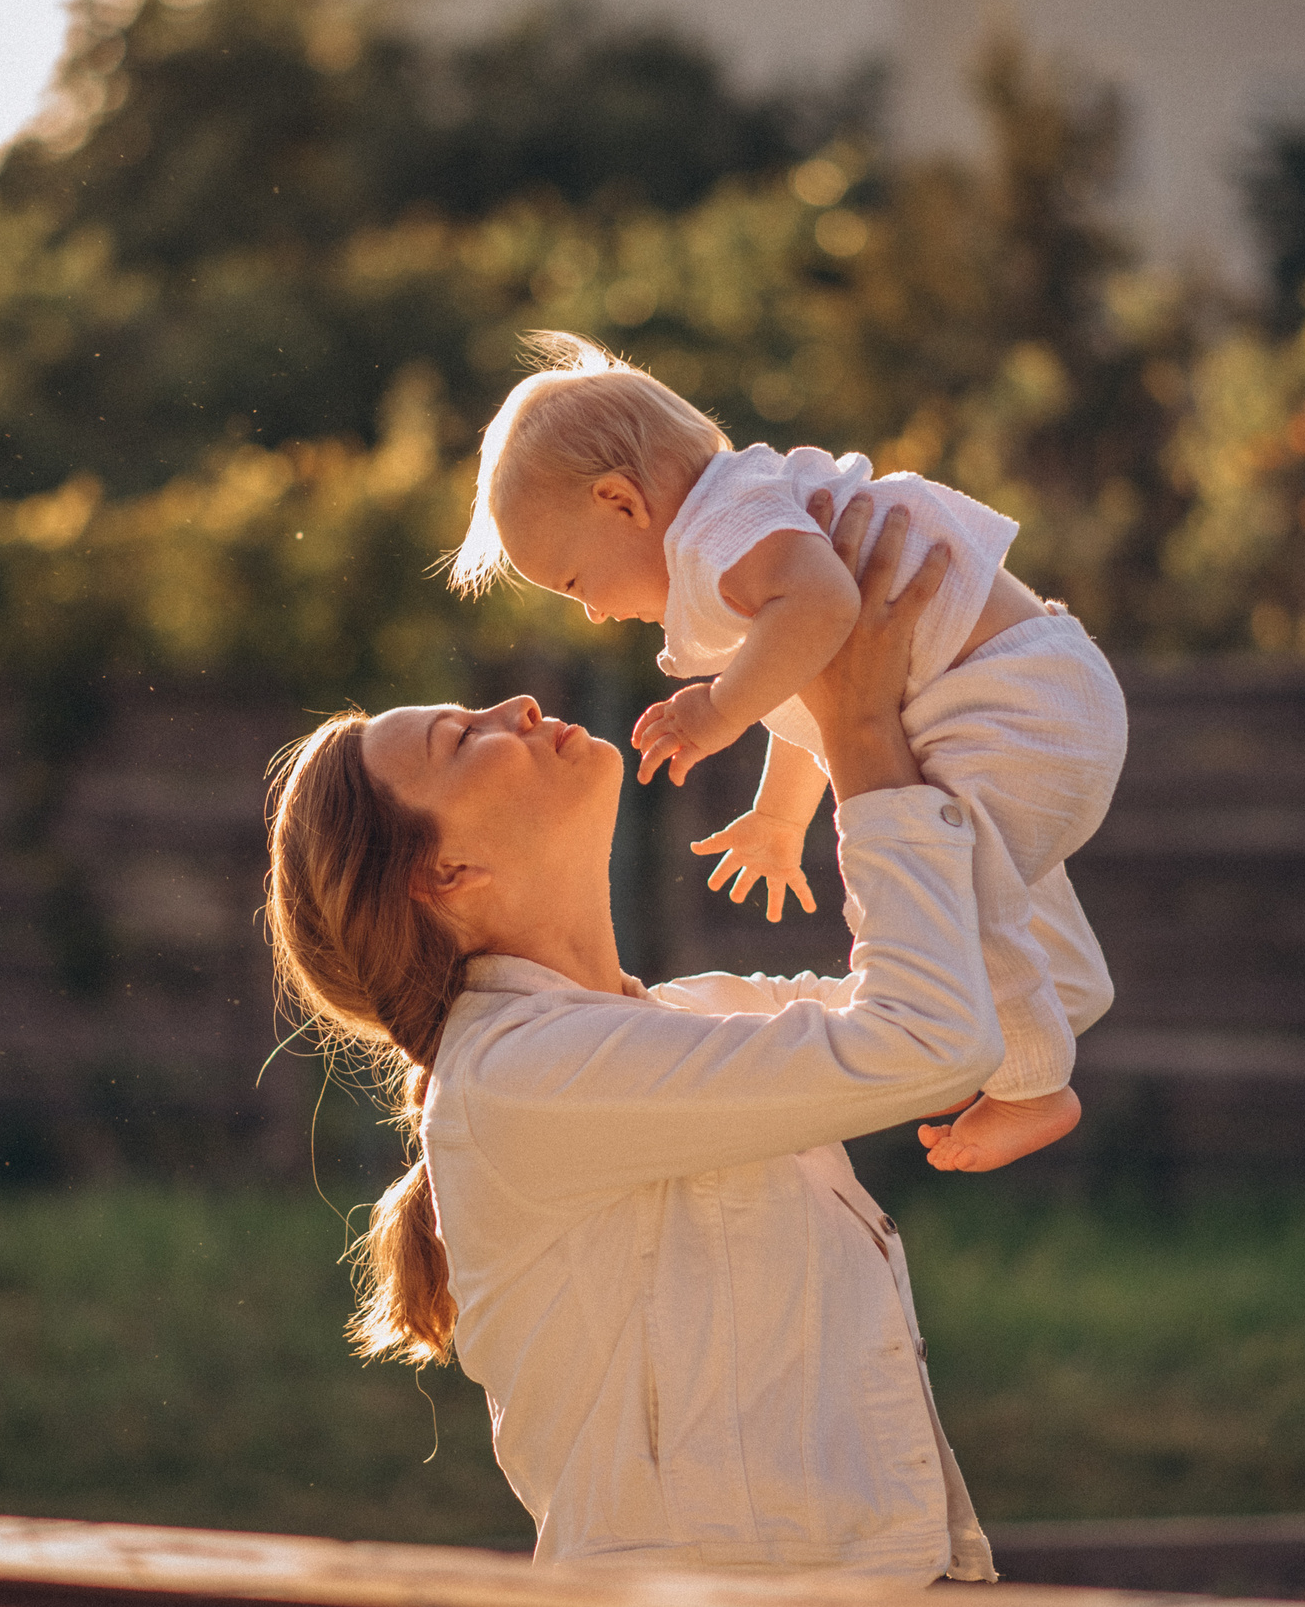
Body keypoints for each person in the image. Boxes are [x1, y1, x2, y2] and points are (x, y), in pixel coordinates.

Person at [264, 502, 1033, 1581]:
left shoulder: (687, 1018)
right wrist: (855, 728)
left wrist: (970, 701)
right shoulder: (517, 1079)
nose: (515, 704)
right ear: (442, 877)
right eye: (460, 737)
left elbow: (975, 1005)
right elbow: (929, 1037)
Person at [444, 333, 1126, 1171]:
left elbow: (826, 606)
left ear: (622, 502)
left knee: (948, 878)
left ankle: (1033, 1082)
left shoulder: (720, 532)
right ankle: (1061, 994)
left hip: (1008, 701)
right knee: (975, 855)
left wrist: (717, 711)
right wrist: (777, 816)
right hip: (1032, 693)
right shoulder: (745, 516)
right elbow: (812, 678)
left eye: (576, 583)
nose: (589, 614)